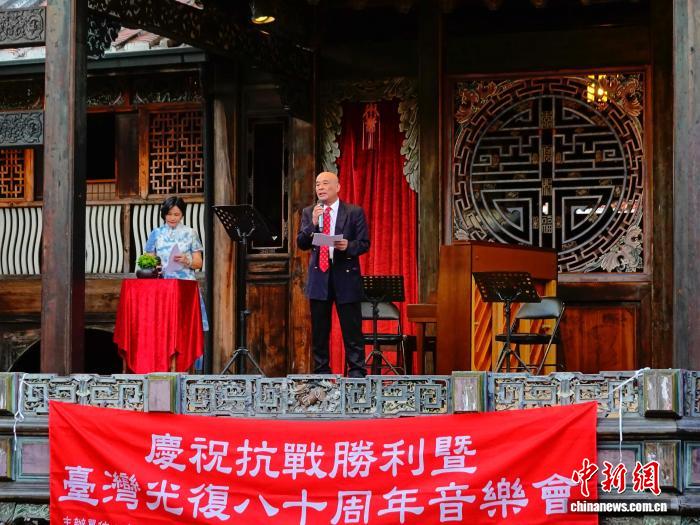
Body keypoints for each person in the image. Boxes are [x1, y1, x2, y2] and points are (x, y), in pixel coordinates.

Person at [296, 171, 370, 378]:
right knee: (320, 331)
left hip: (345, 276)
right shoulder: (310, 212)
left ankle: (356, 374)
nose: (320, 187)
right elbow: (301, 243)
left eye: (325, 183)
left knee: (352, 329)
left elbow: (364, 243)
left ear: (337, 187)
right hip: (320, 277)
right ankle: (322, 374)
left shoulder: (353, 212)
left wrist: (348, 245)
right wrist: (312, 223)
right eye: (317, 184)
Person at [145, 196, 209, 333]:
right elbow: (148, 261)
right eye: (169, 214)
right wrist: (155, 266)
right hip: (163, 285)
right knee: (164, 326)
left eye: (176, 214)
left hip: (186, 285)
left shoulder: (190, 233)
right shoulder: (156, 233)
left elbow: (199, 263)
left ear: (182, 215)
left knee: (186, 326)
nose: (172, 218)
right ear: (163, 214)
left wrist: (187, 261)